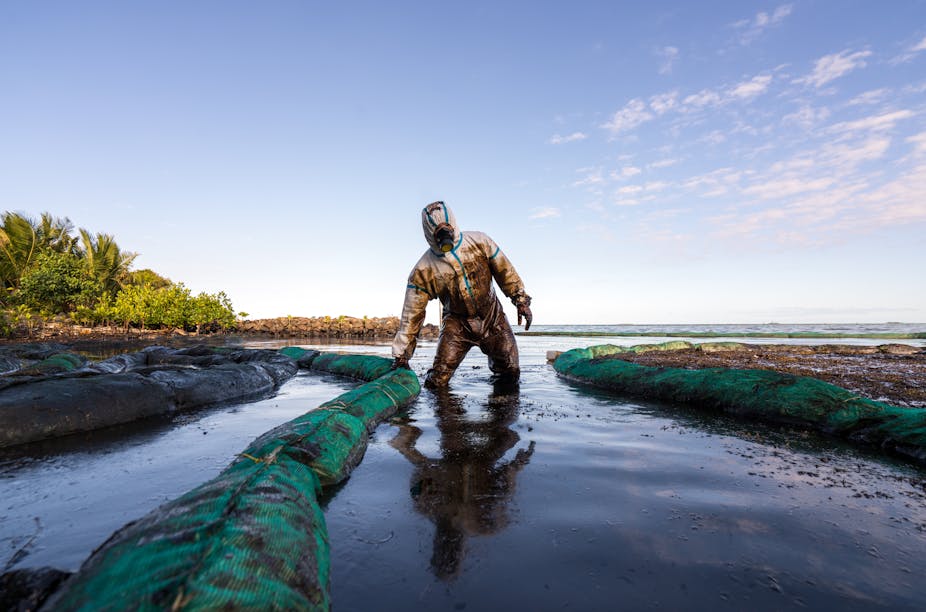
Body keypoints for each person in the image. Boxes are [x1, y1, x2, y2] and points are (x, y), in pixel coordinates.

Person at [391, 201, 532, 388]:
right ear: (428, 233)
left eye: (446, 228)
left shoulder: (480, 241)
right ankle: (444, 414)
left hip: (492, 317)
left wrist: (520, 301)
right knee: (437, 380)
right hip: (456, 325)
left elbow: (505, 272)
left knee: (510, 371)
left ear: (454, 224)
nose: (443, 234)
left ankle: (501, 410)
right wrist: (402, 356)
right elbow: (411, 314)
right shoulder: (423, 270)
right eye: (438, 231)